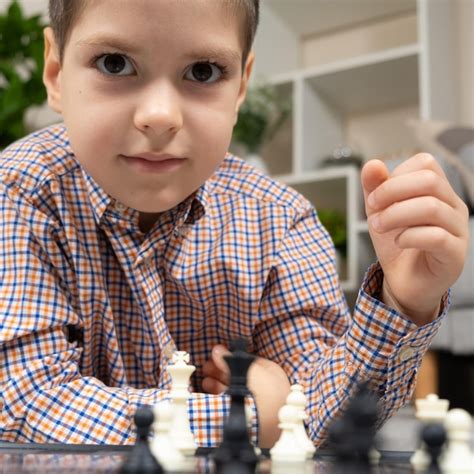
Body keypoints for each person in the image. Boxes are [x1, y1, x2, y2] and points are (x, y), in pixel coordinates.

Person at [0, 0, 468, 449]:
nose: (160, 116)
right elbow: (27, 404)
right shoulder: (18, 191)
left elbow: (330, 418)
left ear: (241, 85)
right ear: (57, 73)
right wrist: (248, 419)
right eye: (115, 63)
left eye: (202, 71)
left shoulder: (281, 220)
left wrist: (404, 300)